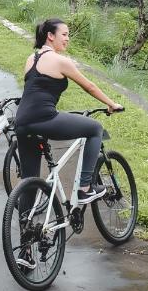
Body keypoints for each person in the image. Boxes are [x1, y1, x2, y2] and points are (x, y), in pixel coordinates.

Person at [15, 17, 124, 207]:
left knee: (29, 181)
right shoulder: (59, 60)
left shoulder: (31, 59)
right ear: (50, 36)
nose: (67, 39)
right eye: (64, 34)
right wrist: (111, 103)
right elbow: (89, 86)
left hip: (22, 122)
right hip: (44, 118)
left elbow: (38, 91)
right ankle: (84, 188)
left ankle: (26, 228)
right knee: (95, 128)